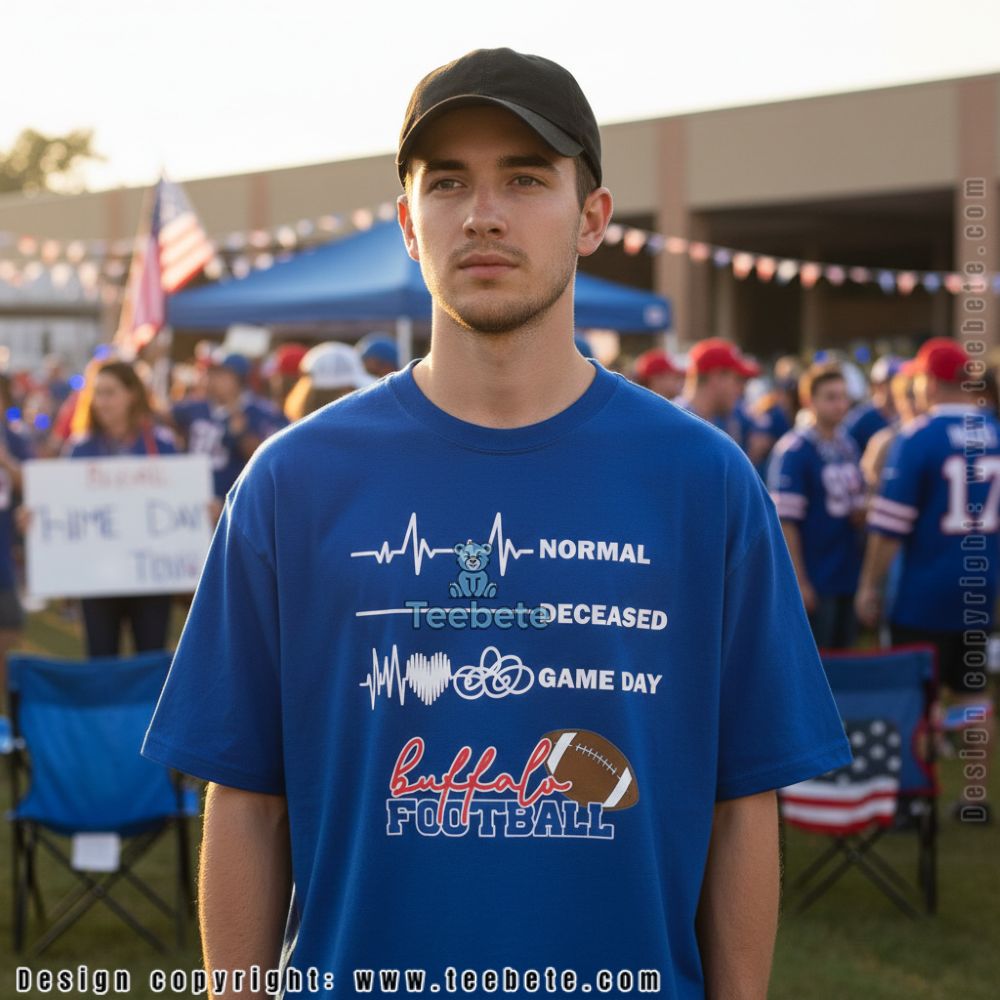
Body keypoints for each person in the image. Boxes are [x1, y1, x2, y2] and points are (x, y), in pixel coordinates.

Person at [143, 48, 851, 999]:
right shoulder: (291, 482)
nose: (483, 213)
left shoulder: (705, 481)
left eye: (524, 178)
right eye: (447, 183)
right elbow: (246, 800)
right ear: (408, 223)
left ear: (592, 217)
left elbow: (742, 803)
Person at [857, 337, 998, 823]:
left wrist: (869, 585)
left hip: (924, 589)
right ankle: (975, 797)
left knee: (916, 696)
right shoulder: (995, 430)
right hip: (981, 587)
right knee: (974, 692)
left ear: (930, 381)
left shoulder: (919, 436)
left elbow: (889, 528)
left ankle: (916, 800)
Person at [62, 360, 179, 658]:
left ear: (132, 394)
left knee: (151, 663)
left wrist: (201, 509)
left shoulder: (162, 445)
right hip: (97, 576)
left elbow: (180, 503)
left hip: (152, 576)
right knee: (102, 663)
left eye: (110, 392)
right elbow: (65, 510)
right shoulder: (80, 449)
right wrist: (37, 520)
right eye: (97, 393)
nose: (101, 402)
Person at [767, 362, 865, 649]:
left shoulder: (847, 445)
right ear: (810, 400)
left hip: (847, 570)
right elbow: (786, 523)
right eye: (831, 397)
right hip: (816, 572)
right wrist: (799, 580)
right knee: (818, 658)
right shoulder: (795, 449)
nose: (840, 405)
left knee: (846, 656)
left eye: (843, 397)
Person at [172, 350, 287, 504]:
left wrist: (241, 434)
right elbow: (161, 420)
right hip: (193, 499)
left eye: (220, 374)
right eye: (210, 373)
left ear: (239, 379)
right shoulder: (196, 406)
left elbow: (272, 460)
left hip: (235, 499)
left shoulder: (261, 412)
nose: (211, 379)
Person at [674, 337, 771, 464]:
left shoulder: (722, 421)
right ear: (717, 377)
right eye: (738, 380)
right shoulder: (675, 423)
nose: (741, 390)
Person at [0, 374, 32, 705]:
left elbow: (33, 483)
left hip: (3, 557)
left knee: (8, 629)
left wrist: (6, 460)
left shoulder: (14, 439)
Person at [283, 342, 375, 421]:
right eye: (354, 389)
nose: (357, 395)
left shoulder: (288, 429)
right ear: (344, 390)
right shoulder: (351, 427)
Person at [843, 355, 900, 454]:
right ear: (878, 385)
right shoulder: (860, 418)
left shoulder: (906, 414)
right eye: (892, 381)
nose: (898, 387)